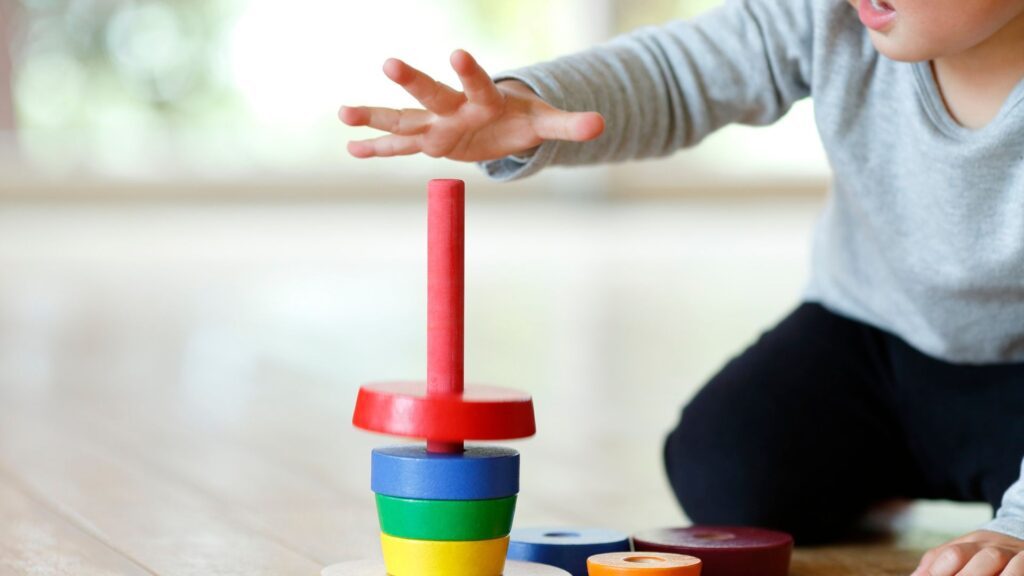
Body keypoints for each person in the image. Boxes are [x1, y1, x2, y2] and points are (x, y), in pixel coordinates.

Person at [338, 0, 1024, 573]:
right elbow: (674, 74)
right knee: (726, 467)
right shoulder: (832, 13)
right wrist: (525, 106)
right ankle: (888, 484)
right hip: (871, 329)